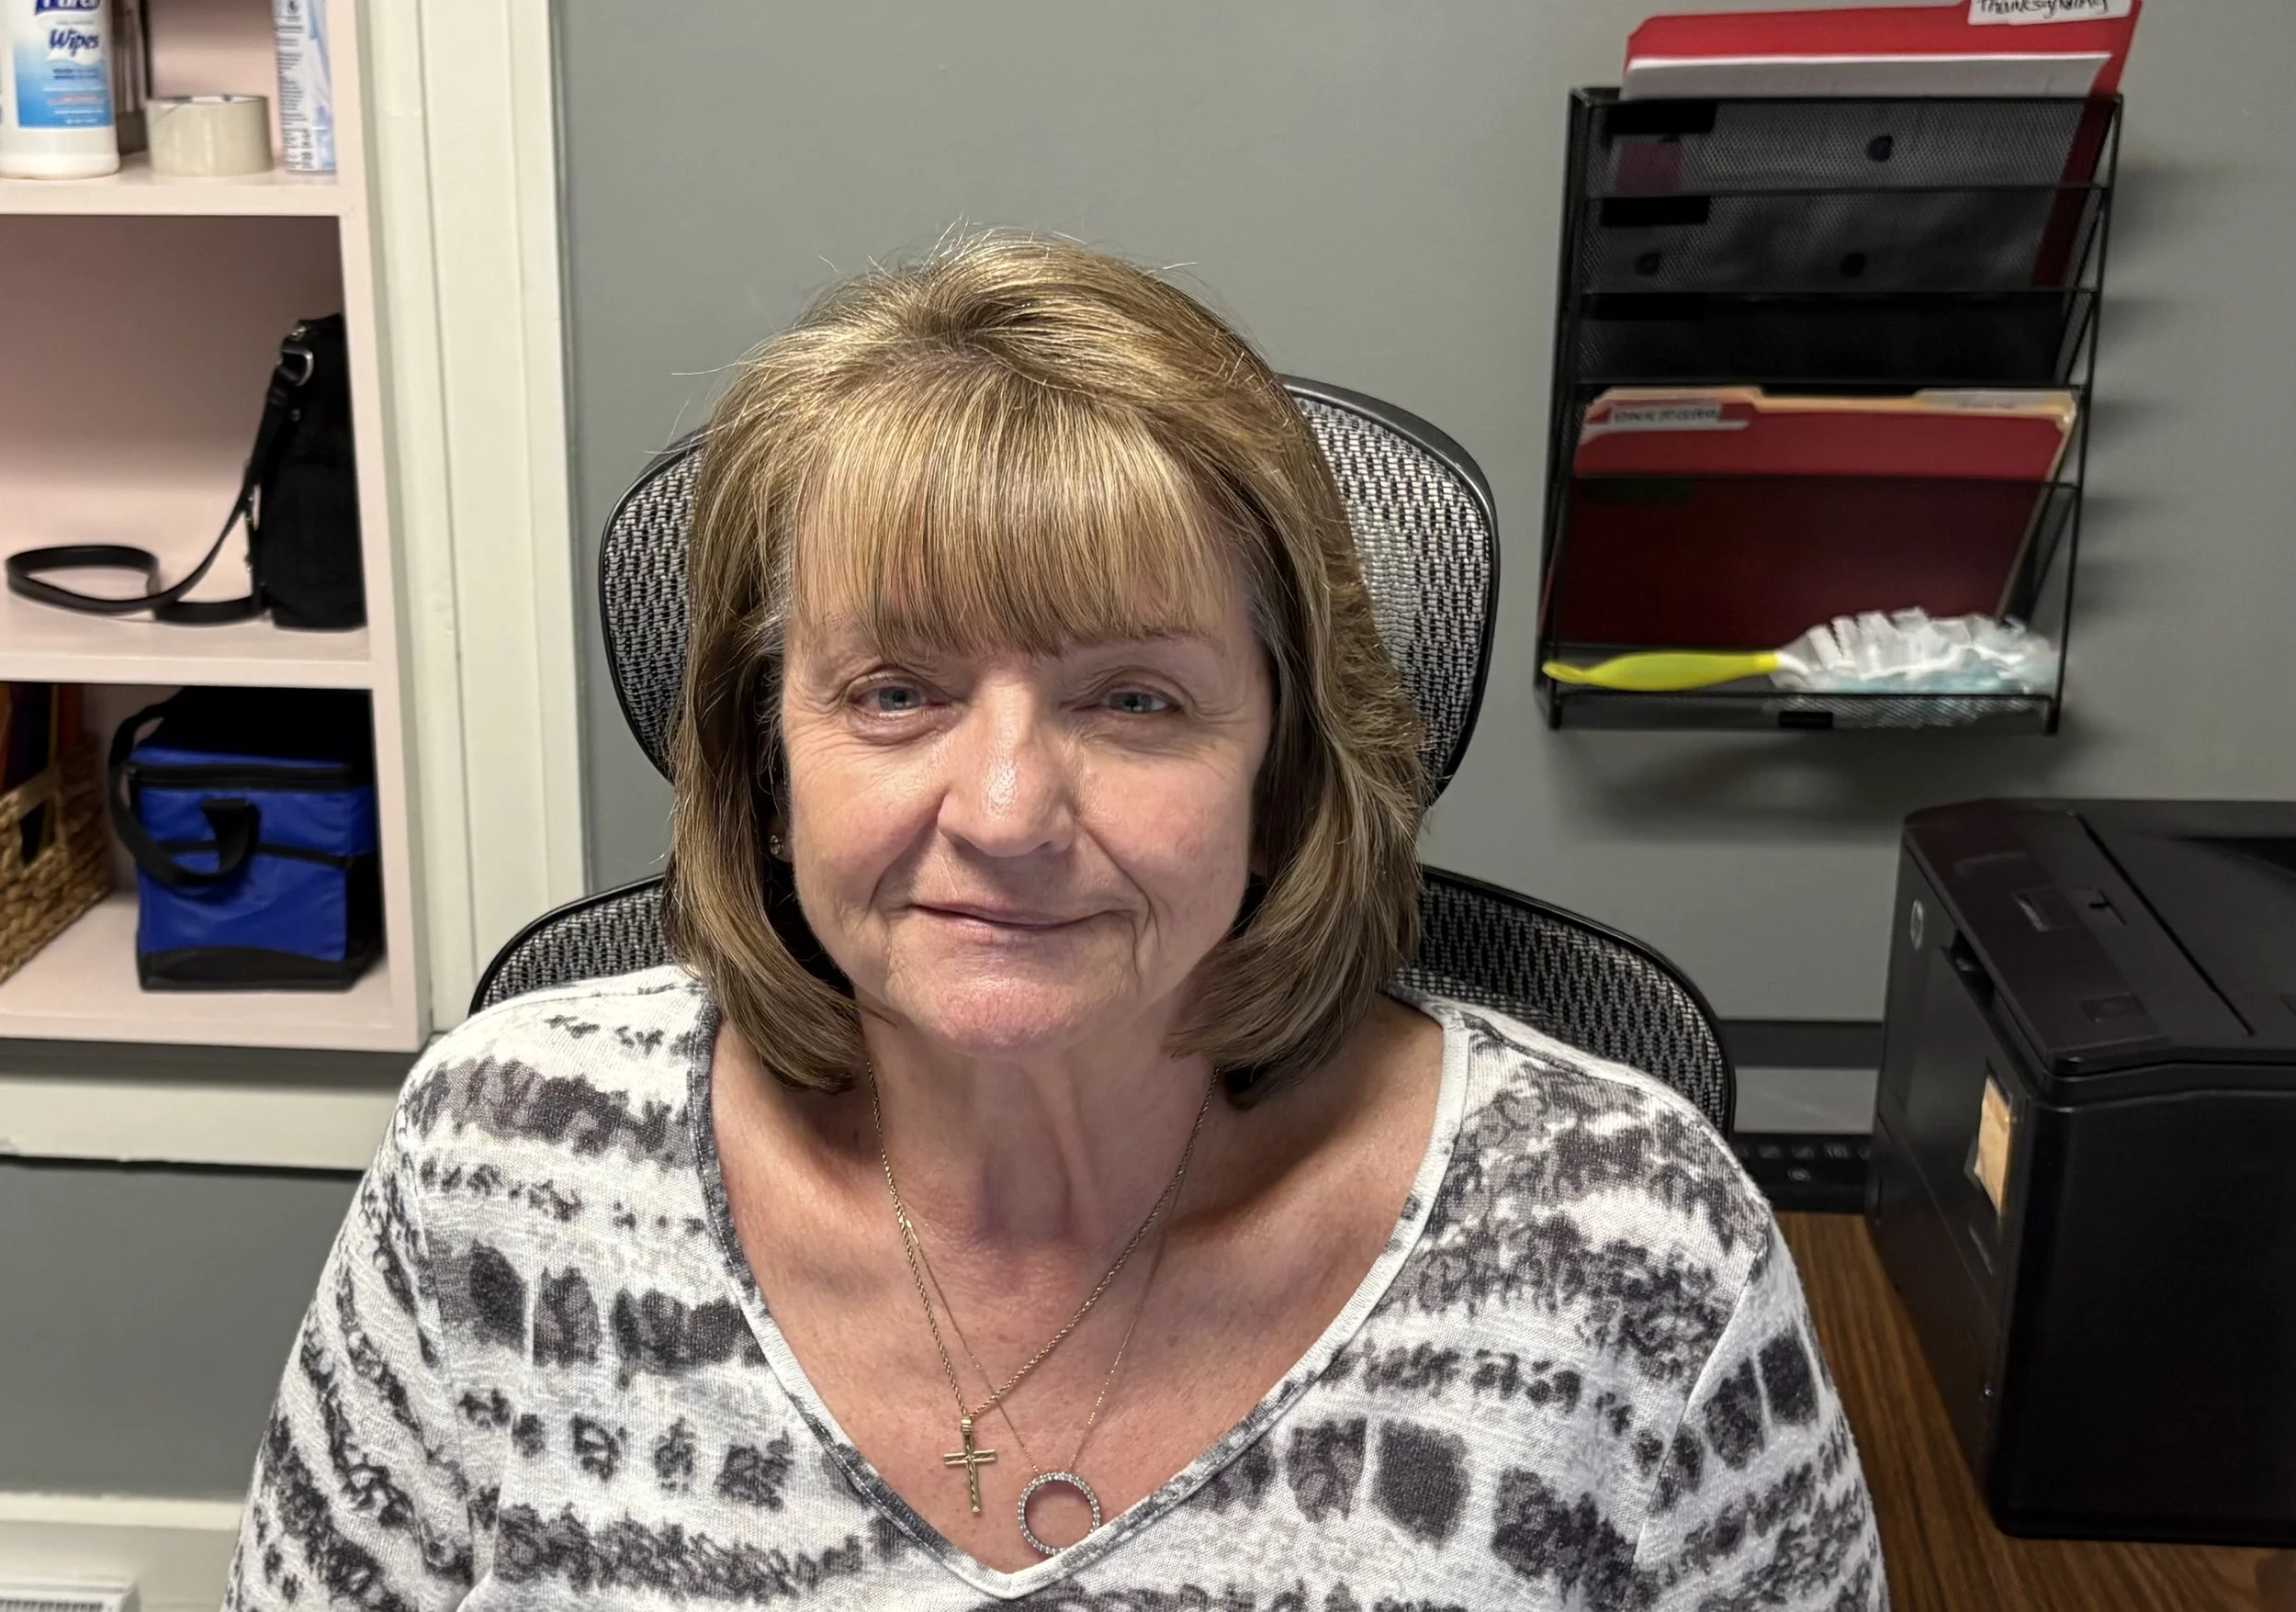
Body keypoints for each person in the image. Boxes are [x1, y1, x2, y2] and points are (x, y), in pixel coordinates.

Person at [222, 232, 1885, 1609]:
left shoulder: (1633, 1249)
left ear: (1284, 763)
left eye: (1138, 699)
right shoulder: (498, 1165)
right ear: (763, 756)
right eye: (894, 689)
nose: (1007, 810)